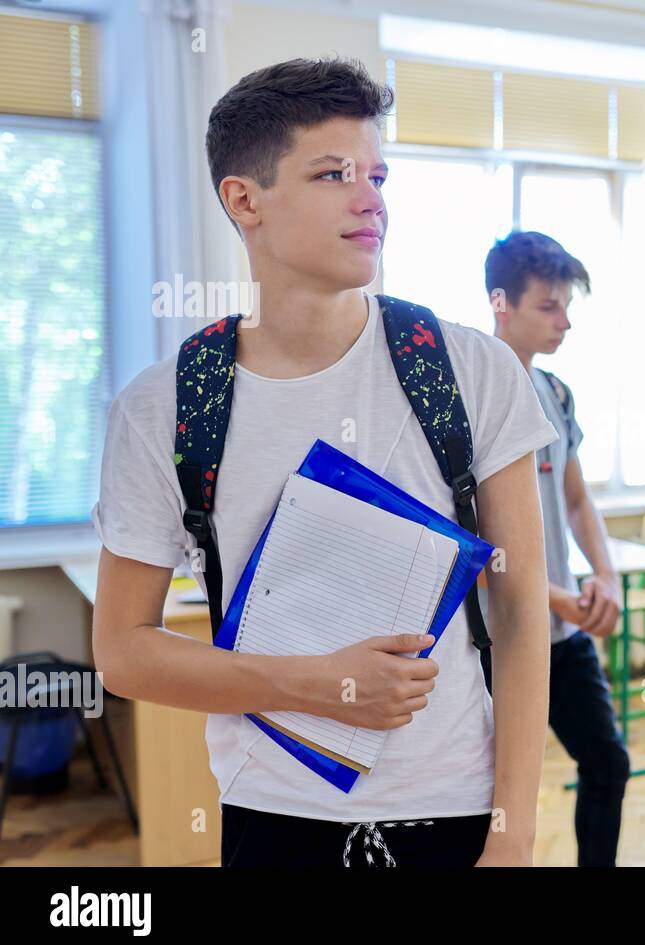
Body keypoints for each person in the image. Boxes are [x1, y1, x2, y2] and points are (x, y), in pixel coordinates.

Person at [91, 58, 555, 867]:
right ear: (245, 199)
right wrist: (316, 682)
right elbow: (124, 651)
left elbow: (520, 616)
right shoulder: (166, 407)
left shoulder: (470, 370)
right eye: (334, 173)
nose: (371, 197)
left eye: (377, 173)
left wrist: (513, 830)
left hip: (456, 809)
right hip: (272, 814)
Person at [486, 230, 631, 867]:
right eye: (548, 306)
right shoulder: (464, 396)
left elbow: (576, 500)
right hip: (490, 639)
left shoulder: (556, 393)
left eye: (567, 306)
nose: (564, 321)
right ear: (501, 303)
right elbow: (473, 546)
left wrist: (606, 576)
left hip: (560, 635)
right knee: (491, 797)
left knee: (608, 762)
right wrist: (557, 598)